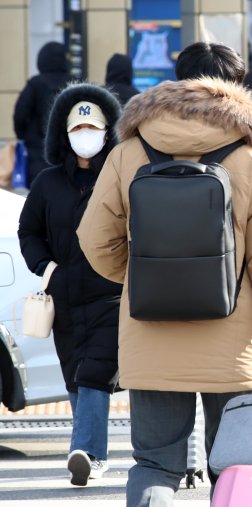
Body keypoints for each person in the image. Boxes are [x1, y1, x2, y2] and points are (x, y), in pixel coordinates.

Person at [76, 42, 252, 505]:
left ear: (178, 80)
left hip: (150, 333)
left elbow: (93, 238)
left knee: (154, 466)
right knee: (235, 469)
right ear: (237, 87)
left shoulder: (129, 151)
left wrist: (140, 278)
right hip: (234, 341)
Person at [18, 83, 123, 486]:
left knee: (95, 372)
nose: (86, 136)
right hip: (63, 297)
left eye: (93, 127)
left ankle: (90, 454)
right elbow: (29, 232)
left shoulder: (119, 178)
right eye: (78, 129)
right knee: (75, 375)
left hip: (109, 295)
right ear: (64, 135)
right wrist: (46, 269)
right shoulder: (47, 183)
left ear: (107, 130)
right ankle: (87, 450)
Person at [13, 41, 71, 185]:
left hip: (37, 153)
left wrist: (24, 137)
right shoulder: (74, 83)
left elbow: (20, 115)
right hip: (68, 153)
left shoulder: (35, 84)